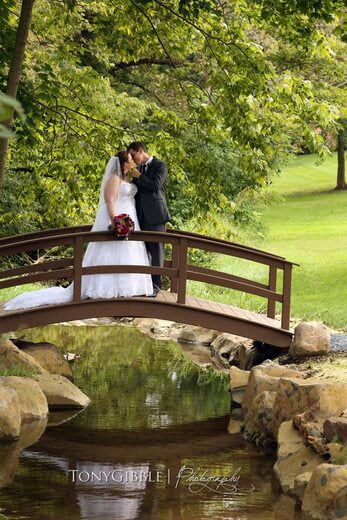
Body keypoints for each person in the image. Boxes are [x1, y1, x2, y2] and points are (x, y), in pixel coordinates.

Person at [4, 151, 153, 311]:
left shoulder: (127, 178)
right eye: (131, 160)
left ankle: (129, 287)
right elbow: (109, 200)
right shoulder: (114, 179)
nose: (133, 162)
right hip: (119, 217)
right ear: (124, 163)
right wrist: (116, 221)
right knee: (111, 251)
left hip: (131, 217)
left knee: (128, 251)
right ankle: (105, 288)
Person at [127, 142, 170, 296]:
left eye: (133, 155)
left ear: (141, 151)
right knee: (142, 251)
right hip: (139, 215)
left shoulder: (160, 165)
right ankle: (143, 285)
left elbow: (155, 186)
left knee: (156, 250)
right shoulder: (137, 168)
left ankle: (156, 285)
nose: (132, 158)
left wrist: (139, 176)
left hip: (156, 215)